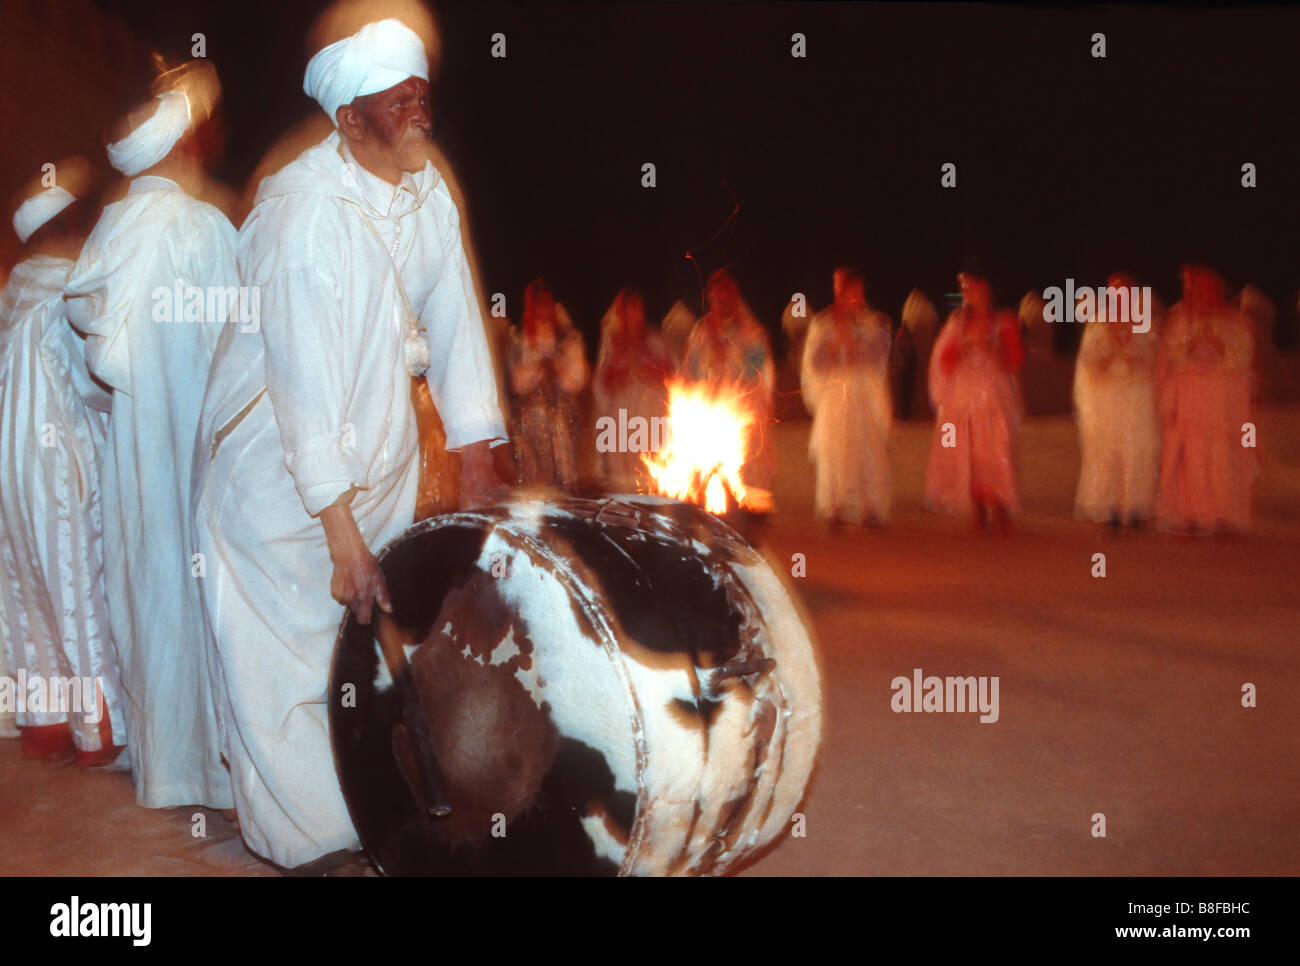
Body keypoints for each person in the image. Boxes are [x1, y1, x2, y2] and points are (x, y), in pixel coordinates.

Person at [192, 17, 508, 871]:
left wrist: (478, 450)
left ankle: (350, 810)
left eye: (422, 97)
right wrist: (340, 536)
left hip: (374, 459)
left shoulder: (425, 190)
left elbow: (454, 323)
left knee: (353, 651)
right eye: (398, 101)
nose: (419, 113)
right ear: (348, 118)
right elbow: (299, 388)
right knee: (283, 656)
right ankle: (305, 845)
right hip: (276, 471)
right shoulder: (301, 216)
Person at [63, 65, 238, 809]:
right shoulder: (201, 230)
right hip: (205, 452)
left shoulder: (103, 239)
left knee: (147, 586)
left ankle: (163, 764)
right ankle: (218, 772)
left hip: (135, 454)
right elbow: (243, 351)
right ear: (183, 148)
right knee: (208, 597)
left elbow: (85, 381)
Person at [0, 170, 126, 766]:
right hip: (62, 461)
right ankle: (96, 731)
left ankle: (44, 720)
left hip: (12, 463)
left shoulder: (15, 290)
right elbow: (97, 381)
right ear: (72, 227)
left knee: (27, 584)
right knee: (80, 583)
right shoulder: (69, 293)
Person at [1155, 265, 1256, 534]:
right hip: (1189, 399)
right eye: (1187, 285)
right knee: (1189, 458)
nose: (1191, 291)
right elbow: (1170, 359)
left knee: (1222, 458)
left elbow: (1241, 358)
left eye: (1196, 285)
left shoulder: (1233, 321)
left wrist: (1216, 344)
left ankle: (1224, 517)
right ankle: (1192, 515)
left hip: (1220, 401)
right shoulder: (1178, 318)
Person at [923, 264, 1024, 529]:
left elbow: (1014, 361)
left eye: (971, 286)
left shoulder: (1004, 320)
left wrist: (991, 347)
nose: (968, 292)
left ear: (986, 286)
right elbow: (942, 362)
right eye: (963, 287)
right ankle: (977, 506)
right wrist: (963, 347)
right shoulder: (957, 323)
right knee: (969, 450)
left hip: (994, 395)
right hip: (963, 397)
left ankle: (1001, 504)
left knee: (997, 448)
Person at [802, 268, 892, 526]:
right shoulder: (823, 324)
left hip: (864, 395)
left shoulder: (874, 322)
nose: (851, 296)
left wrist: (853, 343)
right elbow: (815, 364)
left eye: (855, 291)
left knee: (868, 449)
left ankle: (869, 509)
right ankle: (835, 508)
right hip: (834, 396)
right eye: (843, 289)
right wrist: (833, 346)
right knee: (835, 450)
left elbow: (877, 357)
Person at [682, 269, 776, 510]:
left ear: (733, 298)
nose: (718, 302)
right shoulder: (701, 331)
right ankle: (716, 504)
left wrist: (727, 364)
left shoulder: (752, 333)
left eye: (722, 297)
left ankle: (752, 510)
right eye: (713, 298)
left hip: (744, 407)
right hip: (711, 406)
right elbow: (690, 371)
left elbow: (757, 371)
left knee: (750, 460)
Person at [1073, 273, 1159, 527]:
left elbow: (1152, 359)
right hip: (1108, 397)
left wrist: (1128, 354)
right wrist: (1109, 356)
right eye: (1113, 291)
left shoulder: (1145, 323)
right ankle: (1110, 507)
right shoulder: (1099, 323)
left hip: (1136, 396)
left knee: (1136, 448)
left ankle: (1134, 508)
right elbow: (1088, 362)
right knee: (1108, 449)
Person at [507, 279, 589, 489]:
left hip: (561, 421)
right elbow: (515, 382)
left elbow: (578, 379)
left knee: (565, 480)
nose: (541, 306)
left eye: (545, 300)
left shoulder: (568, 338)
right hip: (529, 424)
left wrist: (556, 369)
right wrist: (538, 368)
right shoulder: (518, 338)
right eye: (536, 301)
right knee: (534, 485)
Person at [593, 287, 675, 491]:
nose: (633, 314)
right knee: (621, 474)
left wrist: (647, 372)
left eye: (637, 309)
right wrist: (623, 375)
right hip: (621, 417)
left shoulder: (654, 340)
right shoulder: (612, 344)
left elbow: (670, 374)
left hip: (650, 415)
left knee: (650, 468)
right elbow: (603, 382)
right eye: (628, 309)